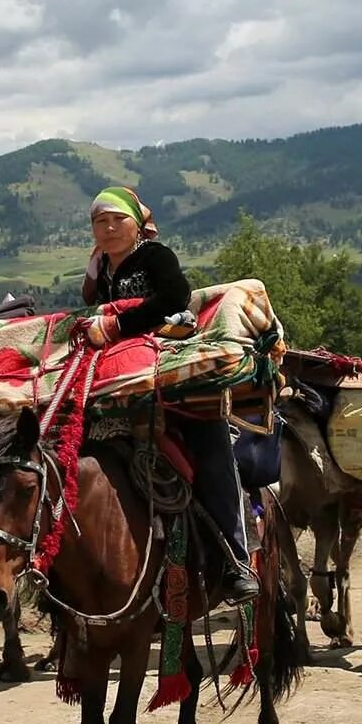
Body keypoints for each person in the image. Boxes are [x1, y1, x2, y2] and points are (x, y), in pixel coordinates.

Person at [80, 186, 260, 604]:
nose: (108, 228)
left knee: (211, 451)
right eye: (99, 221)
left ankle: (234, 561)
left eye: (117, 219)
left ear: (136, 225)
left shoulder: (156, 257)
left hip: (170, 366)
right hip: (119, 377)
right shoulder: (101, 270)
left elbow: (174, 298)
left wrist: (117, 326)